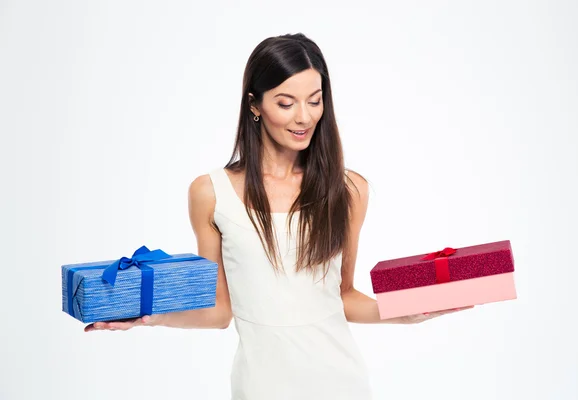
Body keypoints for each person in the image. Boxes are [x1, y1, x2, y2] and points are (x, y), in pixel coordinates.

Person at [85, 33, 470, 399]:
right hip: (259, 388)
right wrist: (148, 316)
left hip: (341, 386)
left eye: (315, 100)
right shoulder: (210, 193)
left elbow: (342, 297)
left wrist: (406, 314)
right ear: (255, 104)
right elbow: (218, 311)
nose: (303, 117)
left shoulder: (349, 190)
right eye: (286, 103)